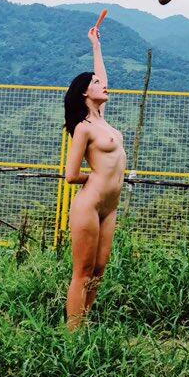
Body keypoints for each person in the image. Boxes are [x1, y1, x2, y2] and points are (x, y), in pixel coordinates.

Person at [63, 23, 126, 330]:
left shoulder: (105, 123)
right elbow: (70, 175)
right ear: (85, 93)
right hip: (89, 205)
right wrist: (94, 179)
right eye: (97, 84)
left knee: (100, 269)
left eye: (103, 82)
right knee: (83, 270)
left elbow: (101, 76)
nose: (104, 85)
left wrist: (96, 46)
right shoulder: (84, 128)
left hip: (110, 206)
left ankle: (84, 325)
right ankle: (72, 337)